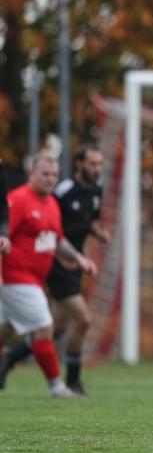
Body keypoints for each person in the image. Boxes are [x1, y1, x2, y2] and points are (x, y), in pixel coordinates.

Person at [0, 145, 108, 395]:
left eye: (53, 175)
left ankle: (8, 362)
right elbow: (4, 234)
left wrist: (80, 259)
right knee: (45, 327)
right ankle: (59, 386)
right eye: (44, 174)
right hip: (16, 277)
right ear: (31, 172)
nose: (50, 179)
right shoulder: (18, 200)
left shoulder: (50, 203)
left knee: (9, 329)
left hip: (35, 279)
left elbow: (57, 239)